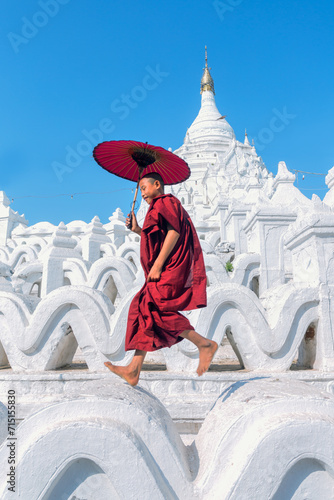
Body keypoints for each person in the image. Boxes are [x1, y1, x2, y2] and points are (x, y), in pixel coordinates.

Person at [104, 173, 218, 385]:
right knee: (143, 308)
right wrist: (138, 229)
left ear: (157, 185)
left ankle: (204, 344)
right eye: (141, 189)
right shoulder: (158, 206)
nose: (143, 193)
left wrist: (157, 265)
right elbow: (158, 236)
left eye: (144, 187)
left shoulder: (165, 202)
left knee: (150, 305)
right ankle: (133, 369)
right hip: (165, 268)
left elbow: (173, 233)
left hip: (169, 268)